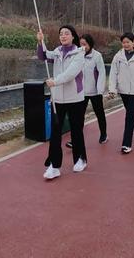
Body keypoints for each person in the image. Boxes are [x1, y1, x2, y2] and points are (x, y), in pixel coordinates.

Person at [37, 25, 87, 180]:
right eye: (61, 34)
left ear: (73, 37)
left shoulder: (79, 53)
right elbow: (43, 56)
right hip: (58, 99)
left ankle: (81, 159)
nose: (63, 36)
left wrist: (55, 81)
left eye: (67, 33)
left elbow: (71, 73)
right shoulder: (57, 52)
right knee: (55, 133)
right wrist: (40, 42)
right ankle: (54, 165)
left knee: (76, 130)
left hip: (75, 99)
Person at [80, 34, 108, 144]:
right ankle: (76, 138)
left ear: (90, 44)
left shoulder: (97, 56)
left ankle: (103, 134)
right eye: (81, 44)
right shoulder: (77, 54)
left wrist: (100, 90)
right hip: (81, 92)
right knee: (79, 116)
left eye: (85, 44)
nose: (82, 47)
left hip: (95, 91)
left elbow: (101, 73)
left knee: (99, 113)